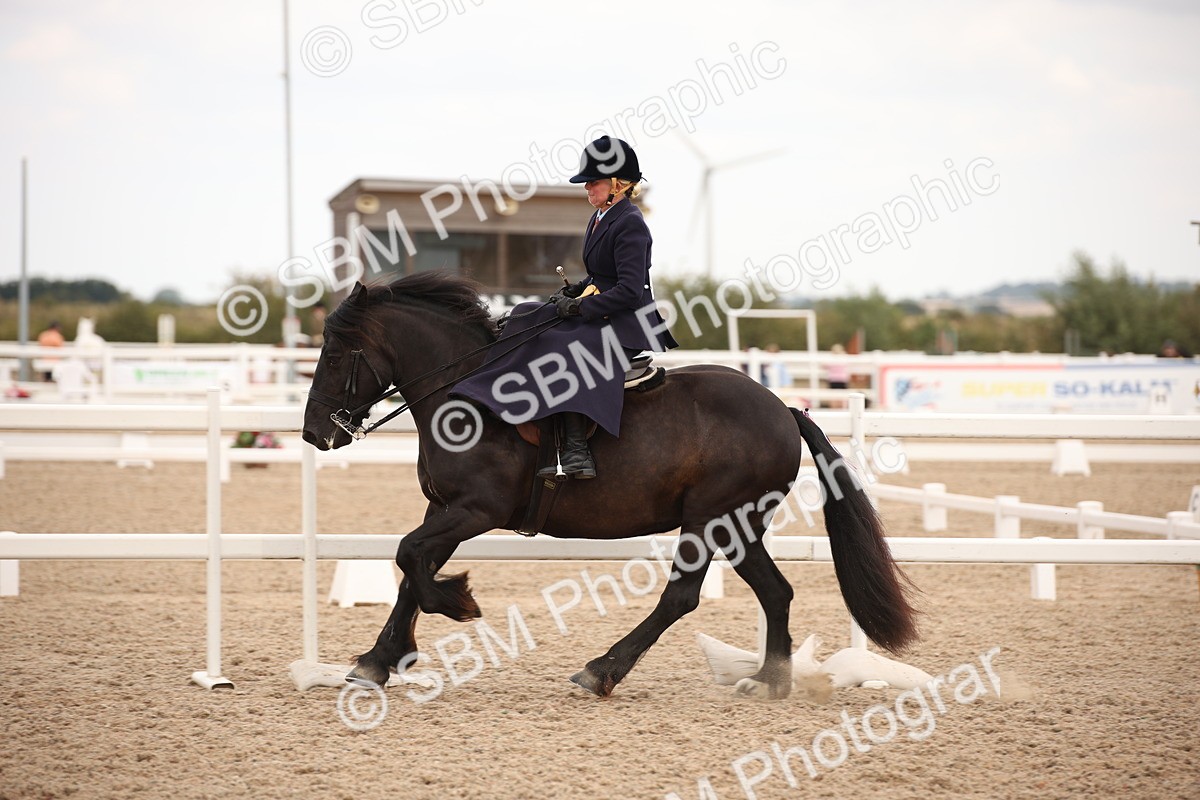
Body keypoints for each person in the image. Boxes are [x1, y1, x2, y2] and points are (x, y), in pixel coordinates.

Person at [453, 136, 678, 478]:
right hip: (602, 309)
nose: (587, 187)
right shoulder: (600, 217)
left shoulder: (630, 222)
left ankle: (576, 449)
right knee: (526, 313)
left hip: (627, 322)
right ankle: (494, 396)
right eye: (587, 182)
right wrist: (574, 291)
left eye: (594, 182)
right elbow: (602, 274)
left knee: (563, 345)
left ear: (618, 184)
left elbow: (630, 291)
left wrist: (579, 309)